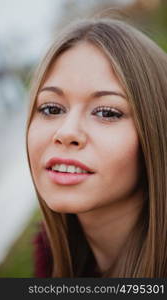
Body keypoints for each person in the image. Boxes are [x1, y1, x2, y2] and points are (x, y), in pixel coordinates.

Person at [26, 17, 167, 278]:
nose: (66, 132)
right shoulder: (51, 258)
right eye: (51, 108)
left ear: (157, 132)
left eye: (107, 112)